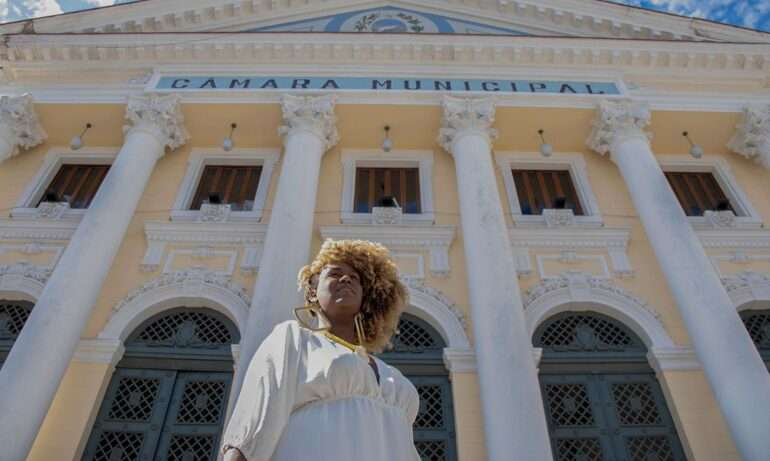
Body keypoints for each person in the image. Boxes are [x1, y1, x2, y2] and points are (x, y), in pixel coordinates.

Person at [221, 239, 421, 461]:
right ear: (313, 292)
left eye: (355, 278)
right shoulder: (295, 339)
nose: (346, 278)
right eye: (335, 274)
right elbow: (256, 417)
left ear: (366, 299)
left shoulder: (391, 376)